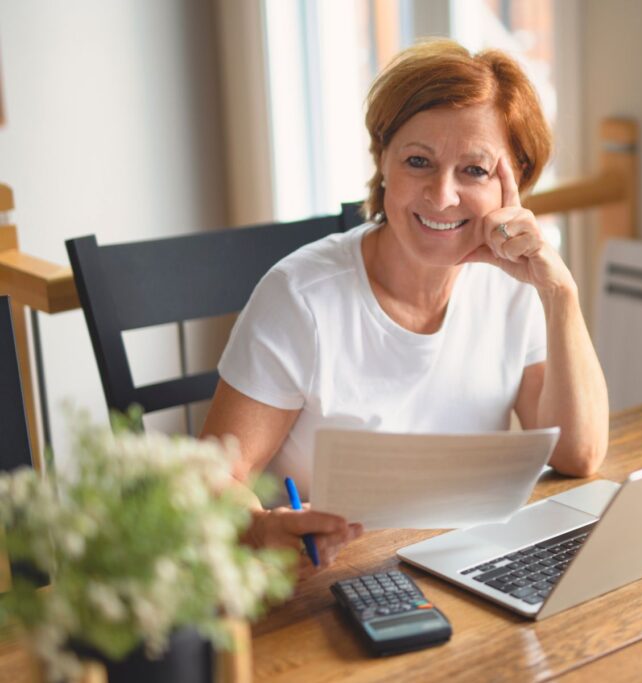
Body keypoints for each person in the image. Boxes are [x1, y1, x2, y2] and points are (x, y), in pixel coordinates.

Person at [201, 39, 608, 575]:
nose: (441, 196)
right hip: (326, 586)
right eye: (419, 161)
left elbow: (577, 455)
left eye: (475, 171)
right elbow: (214, 478)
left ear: (515, 181)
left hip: (463, 568)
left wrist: (559, 293)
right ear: (383, 160)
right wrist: (260, 527)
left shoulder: (516, 287)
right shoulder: (301, 296)